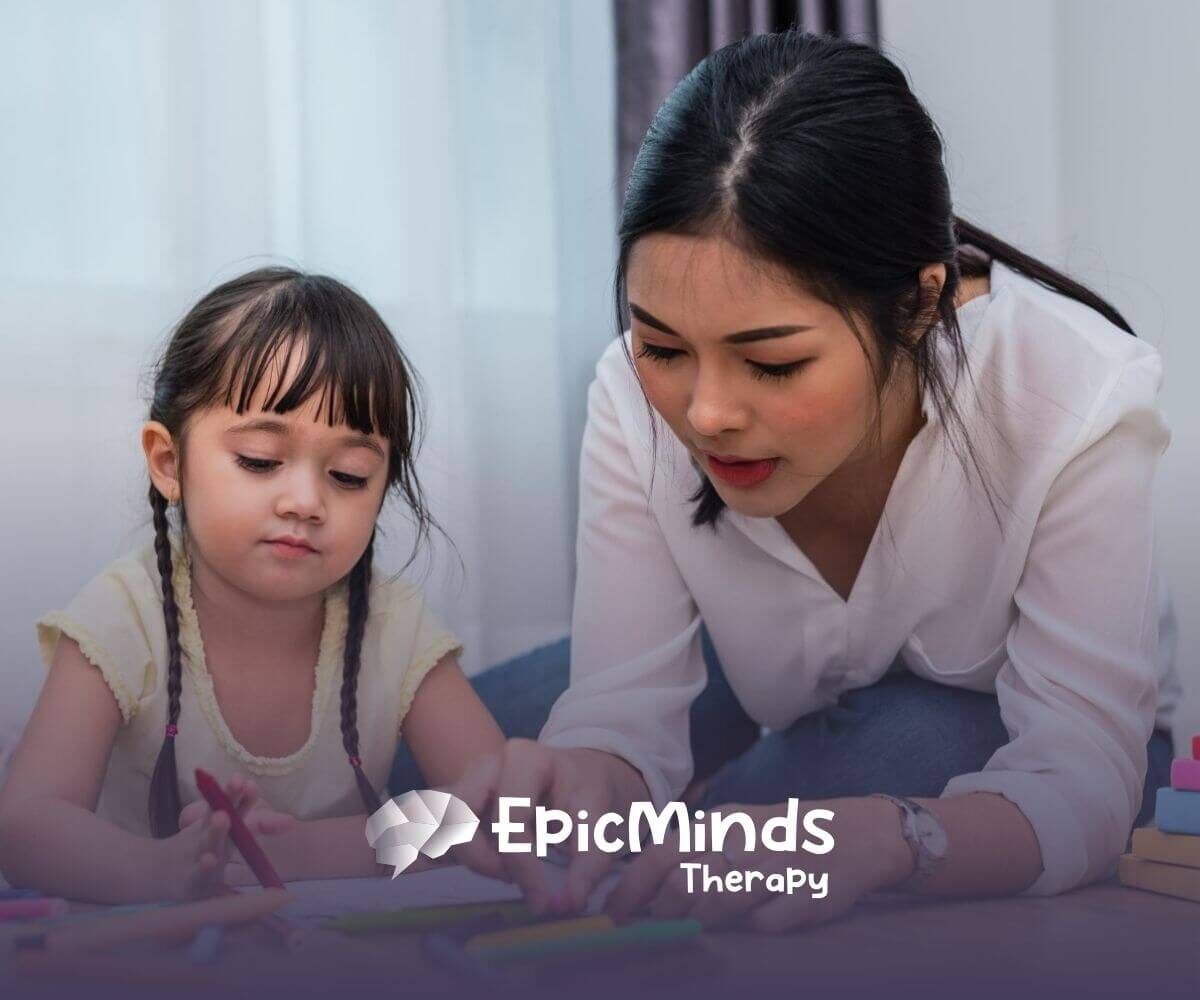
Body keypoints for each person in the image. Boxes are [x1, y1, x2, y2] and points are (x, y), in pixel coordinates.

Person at [425, 30, 1180, 931]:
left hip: (989, 721)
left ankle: (702, 842)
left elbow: (1082, 779)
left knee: (906, 753)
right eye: (663, 346)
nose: (706, 413)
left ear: (919, 302)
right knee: (449, 771)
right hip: (743, 669)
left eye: (773, 363)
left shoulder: (1076, 392)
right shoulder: (629, 397)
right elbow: (620, 713)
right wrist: (586, 775)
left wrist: (880, 838)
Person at [0, 268, 503, 902]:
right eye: (260, 462)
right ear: (169, 462)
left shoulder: (393, 623)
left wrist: (310, 851)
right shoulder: (124, 614)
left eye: (349, 475)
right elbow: (25, 825)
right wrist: (155, 870)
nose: (305, 501)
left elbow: (502, 814)